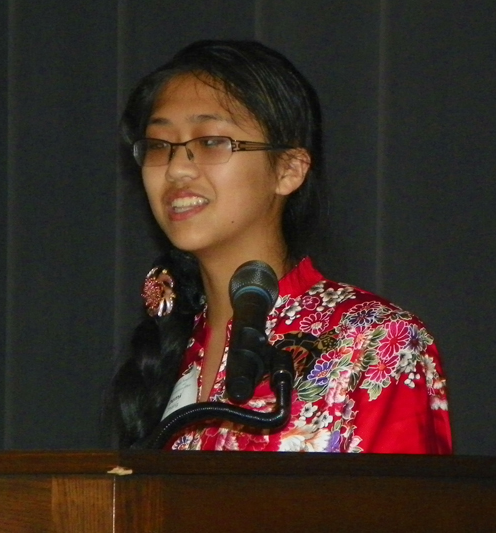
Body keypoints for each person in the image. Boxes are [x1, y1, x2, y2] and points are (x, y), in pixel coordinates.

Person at [109, 39, 452, 453]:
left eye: (213, 141)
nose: (177, 167)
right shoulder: (169, 347)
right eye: (160, 146)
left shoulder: (373, 341)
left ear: (289, 169)